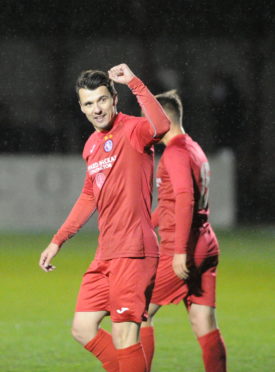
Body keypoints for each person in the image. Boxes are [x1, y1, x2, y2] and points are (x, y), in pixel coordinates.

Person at [39, 63, 171, 372]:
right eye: (88, 103)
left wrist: (135, 83)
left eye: (101, 99)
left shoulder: (134, 129)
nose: (96, 109)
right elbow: (89, 196)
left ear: (113, 98)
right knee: (82, 327)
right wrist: (58, 240)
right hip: (106, 253)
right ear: (81, 108)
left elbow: (161, 126)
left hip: (133, 250)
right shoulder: (91, 145)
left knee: (125, 335)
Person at [140, 90, 227, 372]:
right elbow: (172, 202)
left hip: (185, 246)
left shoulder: (175, 152)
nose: (145, 125)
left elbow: (186, 197)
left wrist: (179, 252)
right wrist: (145, 224)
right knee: (203, 323)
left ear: (163, 118)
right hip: (206, 243)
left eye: (148, 118)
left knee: (136, 315)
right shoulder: (192, 147)